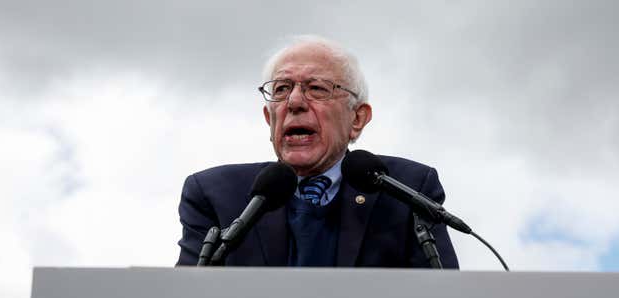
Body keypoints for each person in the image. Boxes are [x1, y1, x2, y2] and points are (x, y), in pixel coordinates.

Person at [177, 35, 458, 268]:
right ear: (269, 118)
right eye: (282, 88)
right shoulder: (214, 195)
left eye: (317, 88)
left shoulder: (408, 189)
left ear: (357, 119)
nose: (295, 102)